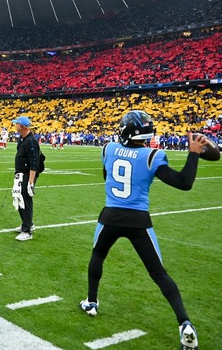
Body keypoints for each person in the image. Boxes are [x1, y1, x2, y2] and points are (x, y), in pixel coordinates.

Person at [79, 110, 204, 350]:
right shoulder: (152, 155)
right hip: (138, 220)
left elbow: (107, 177)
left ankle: (92, 302)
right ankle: (184, 323)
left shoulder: (108, 149)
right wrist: (193, 154)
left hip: (111, 215)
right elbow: (184, 183)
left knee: (98, 256)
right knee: (158, 273)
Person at [11, 116, 40, 241]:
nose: (15, 126)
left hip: (27, 175)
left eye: (17, 124)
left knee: (25, 199)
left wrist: (31, 182)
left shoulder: (31, 141)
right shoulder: (22, 139)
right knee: (19, 197)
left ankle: (27, 230)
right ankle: (27, 223)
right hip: (20, 174)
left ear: (21, 126)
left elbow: (34, 162)